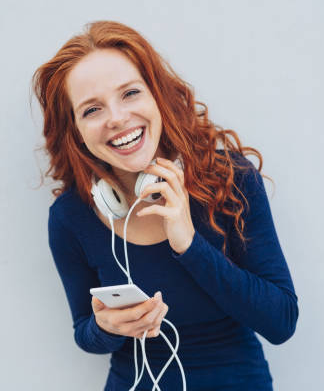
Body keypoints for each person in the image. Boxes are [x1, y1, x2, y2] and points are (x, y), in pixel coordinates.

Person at [32, 20, 299, 390]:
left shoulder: (232, 180)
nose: (117, 118)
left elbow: (281, 322)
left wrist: (189, 243)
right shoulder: (70, 217)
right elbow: (85, 332)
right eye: (92, 110)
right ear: (75, 131)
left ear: (157, 95)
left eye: (130, 93)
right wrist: (105, 327)